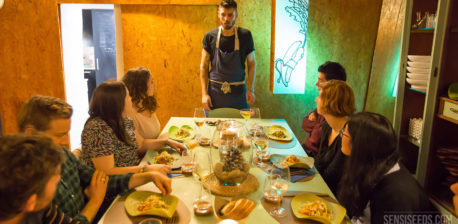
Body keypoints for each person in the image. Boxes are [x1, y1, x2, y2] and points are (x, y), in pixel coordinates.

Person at [17, 95, 172, 223]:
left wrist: (148, 176)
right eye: (59, 135)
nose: (66, 141)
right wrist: (95, 201)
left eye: (67, 133)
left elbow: (102, 180)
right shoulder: (27, 182)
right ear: (30, 133)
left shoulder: (63, 154)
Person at [338, 112, 434, 223]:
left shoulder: (398, 196)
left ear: (360, 145)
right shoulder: (371, 168)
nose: (341, 137)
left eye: (344, 134)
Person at [81, 80, 173, 175]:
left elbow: (141, 144)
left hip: (133, 175)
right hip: (116, 185)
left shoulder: (124, 119)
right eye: (128, 96)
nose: (131, 98)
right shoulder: (97, 129)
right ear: (117, 102)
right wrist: (145, 169)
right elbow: (107, 172)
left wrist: (166, 142)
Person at [0, 134, 84, 224]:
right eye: (55, 181)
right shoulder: (38, 209)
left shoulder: (43, 210)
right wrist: (95, 201)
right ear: (30, 202)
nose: (59, 178)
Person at [200, 0, 256, 110]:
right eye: (223, 14)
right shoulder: (209, 37)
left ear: (236, 15)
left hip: (239, 96)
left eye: (230, 15)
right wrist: (204, 94)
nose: (226, 19)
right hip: (214, 97)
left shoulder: (245, 36)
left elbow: (252, 63)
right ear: (218, 14)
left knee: (240, 126)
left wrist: (250, 89)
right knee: (213, 126)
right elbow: (203, 66)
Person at [122, 67, 186, 155]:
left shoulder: (146, 103)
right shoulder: (129, 114)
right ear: (140, 87)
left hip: (155, 153)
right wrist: (165, 142)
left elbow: (155, 136)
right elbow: (140, 146)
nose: (154, 85)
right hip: (142, 160)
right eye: (151, 82)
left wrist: (170, 140)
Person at [314, 80, 355, 194]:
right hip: (321, 187)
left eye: (319, 97)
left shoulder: (348, 134)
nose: (316, 100)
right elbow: (319, 163)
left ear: (330, 103)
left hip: (337, 197)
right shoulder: (327, 125)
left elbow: (332, 178)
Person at [302, 61, 347, 157]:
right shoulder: (324, 107)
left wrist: (315, 125)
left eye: (320, 80)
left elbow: (315, 138)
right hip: (306, 151)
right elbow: (304, 122)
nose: (316, 83)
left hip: (312, 156)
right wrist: (318, 126)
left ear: (332, 85)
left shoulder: (337, 118)